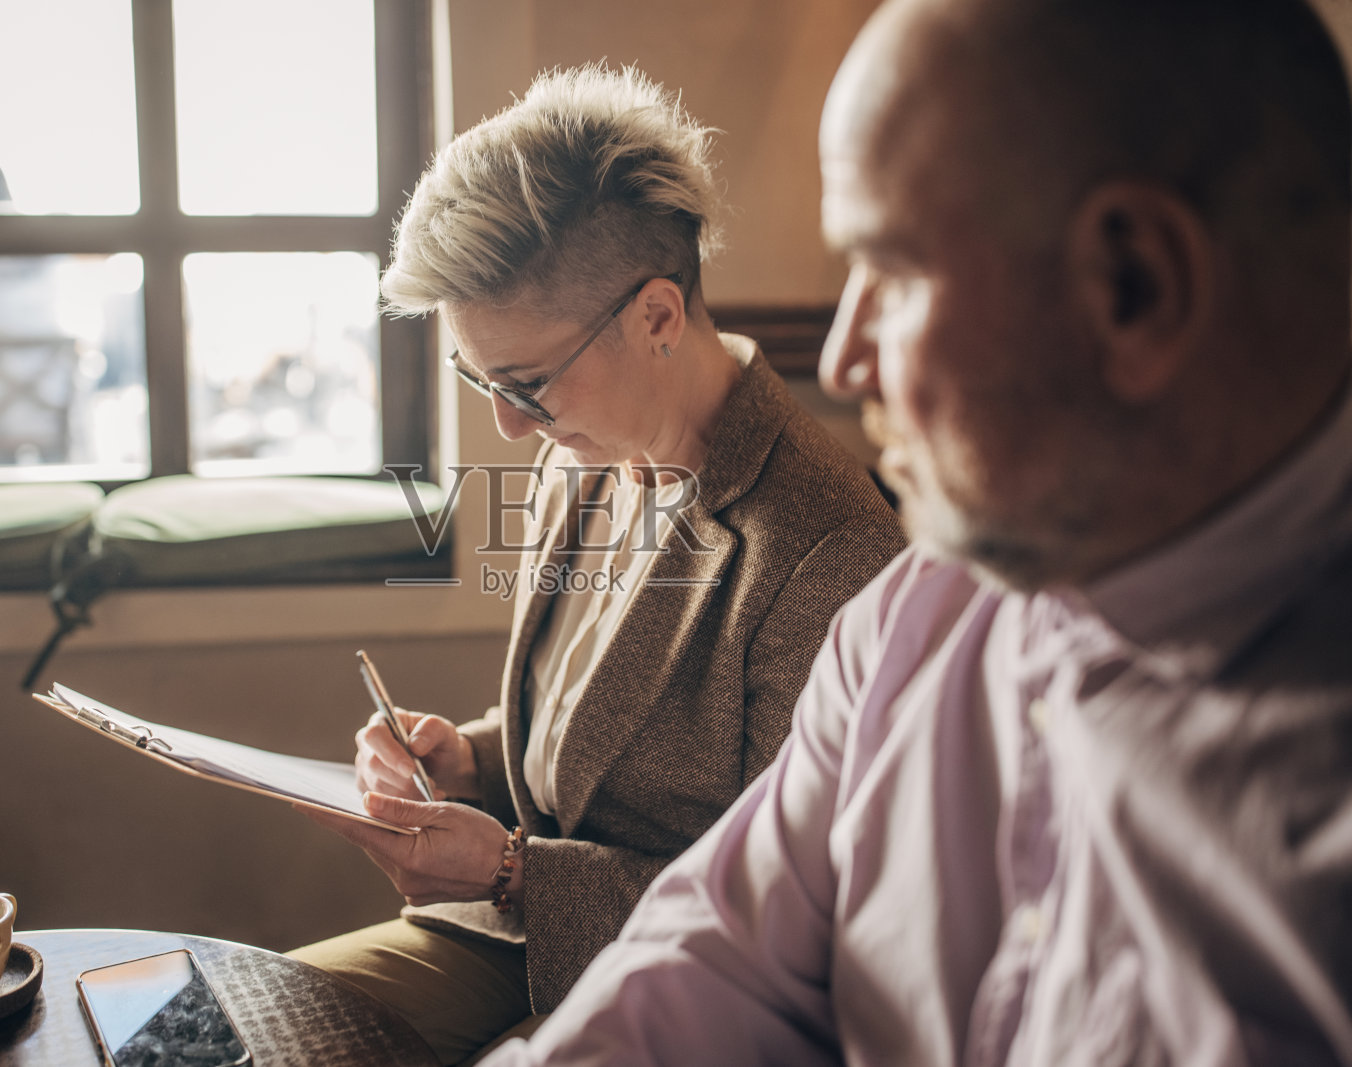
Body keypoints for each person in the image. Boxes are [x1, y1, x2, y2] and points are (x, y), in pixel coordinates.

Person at [479, 0, 1352, 1063]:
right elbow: (719, 956)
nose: (844, 361)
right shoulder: (913, 615)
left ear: (1136, 286)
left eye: (889, 272)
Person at [291, 64, 905, 1065]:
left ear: (658, 315)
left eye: (523, 381)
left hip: (683, 996)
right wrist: (472, 759)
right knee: (241, 1022)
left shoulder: (831, 551)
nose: (504, 422)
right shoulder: (580, 445)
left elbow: (784, 919)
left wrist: (512, 872)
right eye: (478, 376)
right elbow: (595, 730)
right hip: (511, 940)